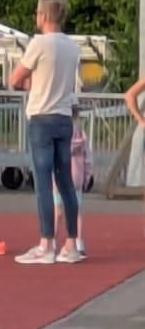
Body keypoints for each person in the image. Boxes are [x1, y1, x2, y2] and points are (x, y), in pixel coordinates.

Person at [9, 0, 81, 264]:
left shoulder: (39, 43)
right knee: (65, 183)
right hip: (64, 116)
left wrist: (31, 82)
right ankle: (71, 244)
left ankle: (46, 244)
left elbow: (16, 78)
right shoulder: (72, 47)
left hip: (41, 116)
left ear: (43, 16)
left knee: (43, 182)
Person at [53, 103, 93, 259]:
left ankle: (52, 242)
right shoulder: (81, 134)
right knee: (77, 212)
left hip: (60, 175)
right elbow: (88, 157)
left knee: (57, 211)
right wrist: (87, 175)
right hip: (77, 176)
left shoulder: (59, 135)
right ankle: (79, 242)